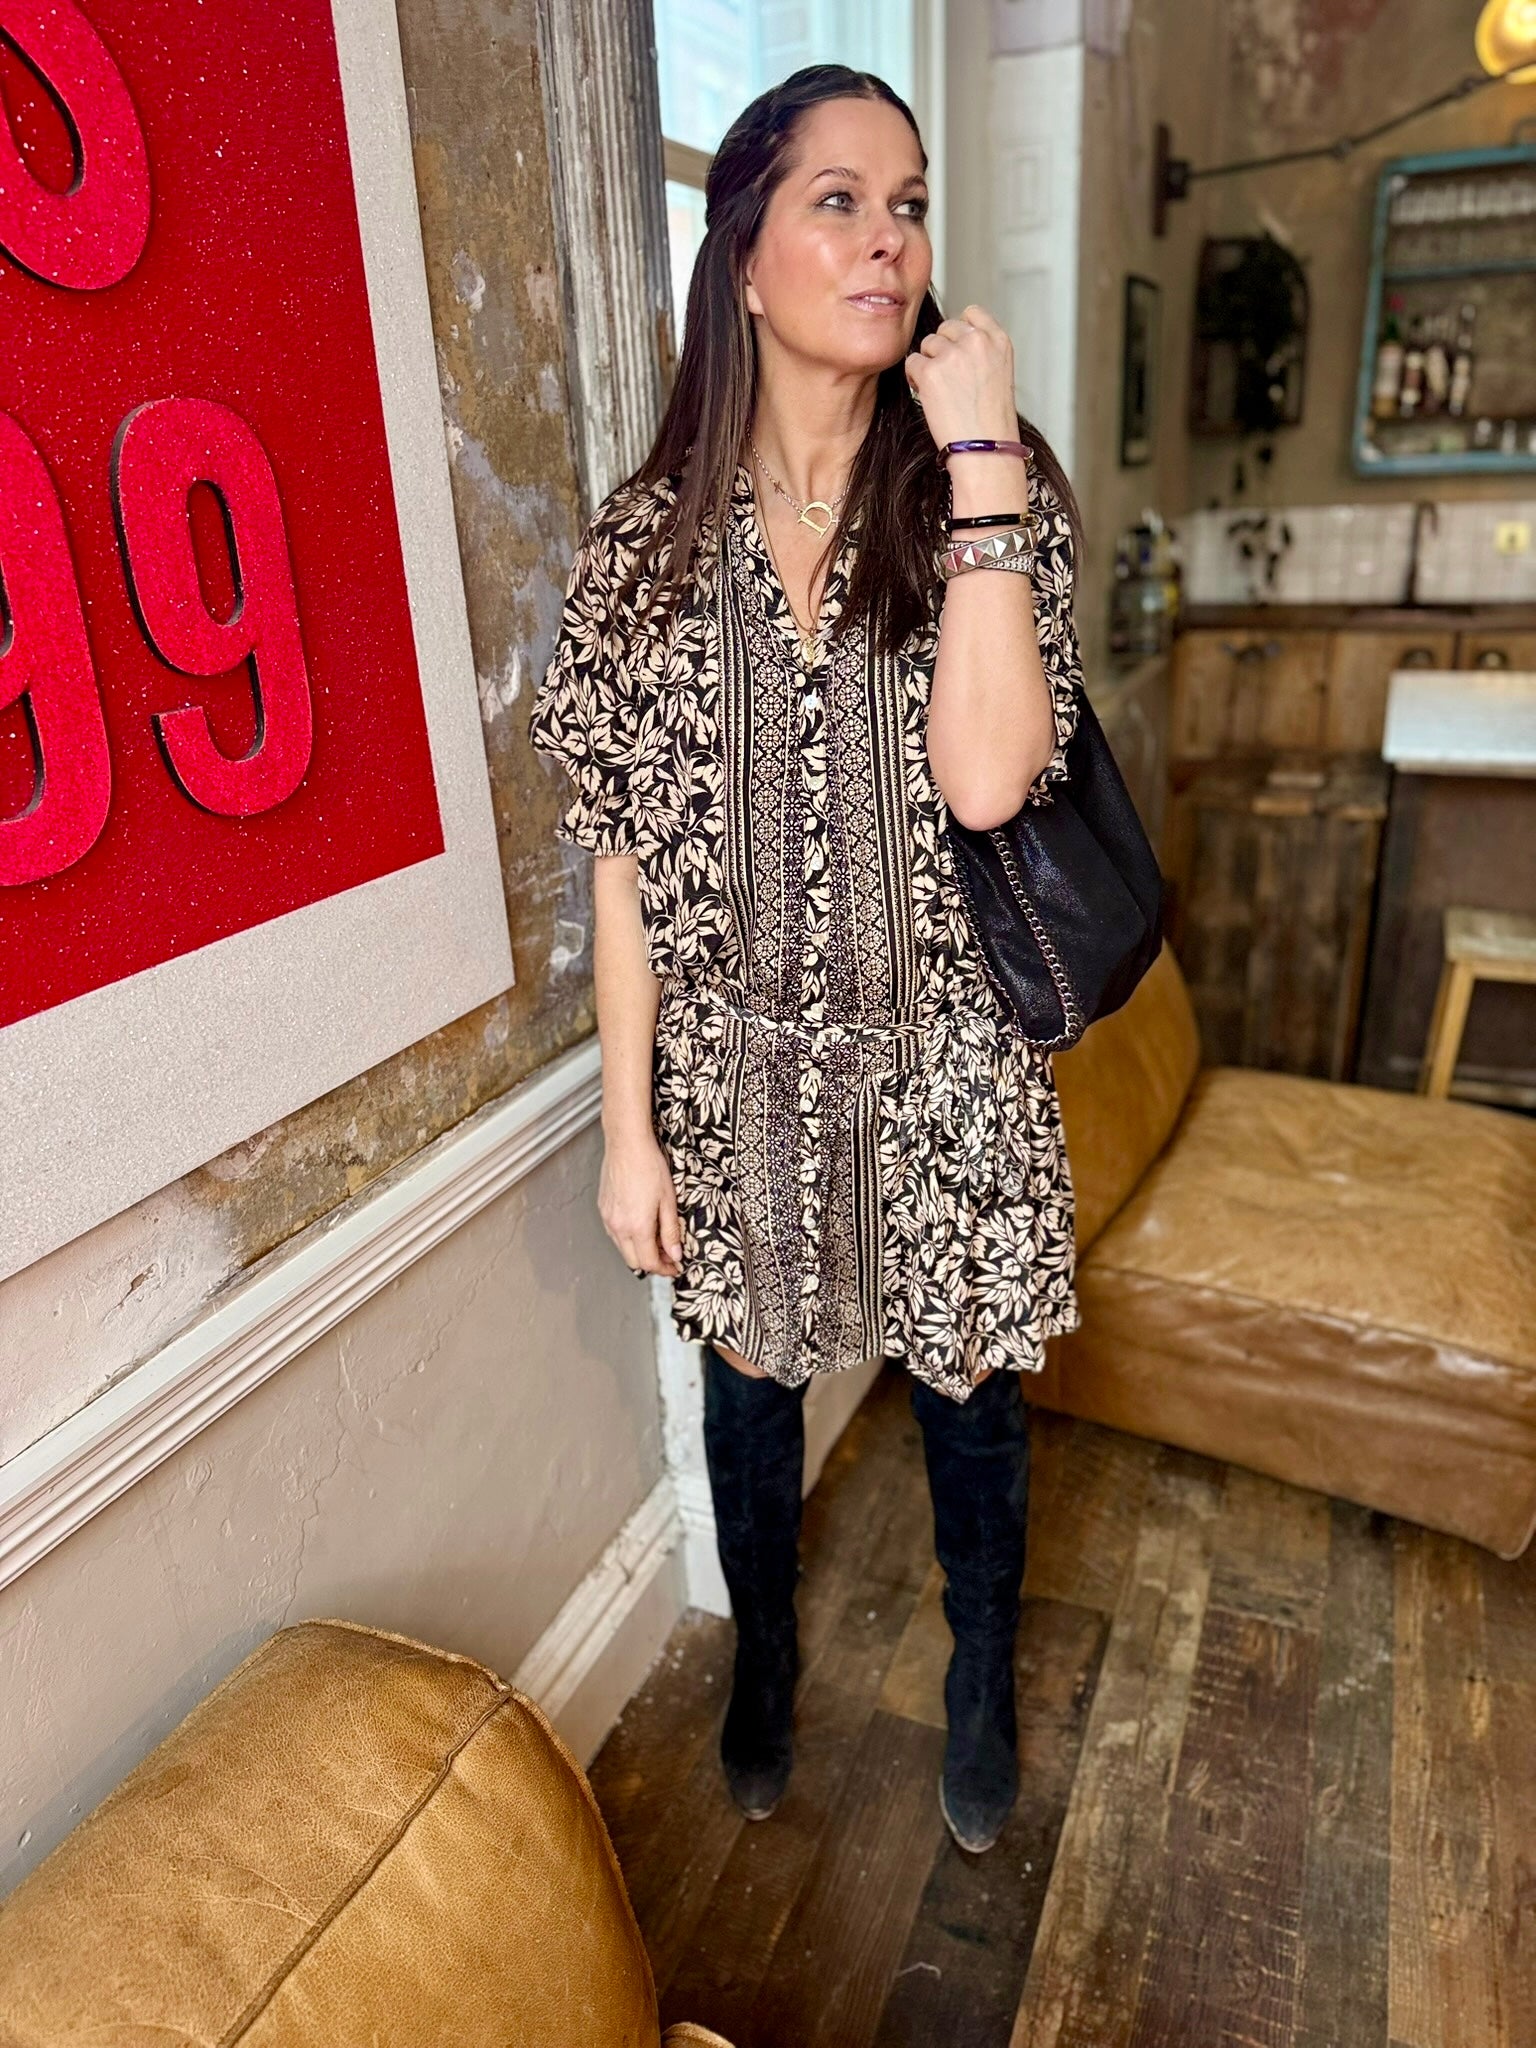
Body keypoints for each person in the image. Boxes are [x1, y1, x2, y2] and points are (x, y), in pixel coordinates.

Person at [529, 63, 1083, 1856]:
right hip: (738, 1071)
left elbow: (991, 779)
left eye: (907, 203)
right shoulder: (641, 549)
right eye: (838, 200)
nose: (887, 238)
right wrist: (629, 1130)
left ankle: (981, 1678)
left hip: (951, 1061)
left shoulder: (992, 494)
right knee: (751, 1399)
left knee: (972, 1401)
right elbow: (623, 861)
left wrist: (982, 454)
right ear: (746, 256)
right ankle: (764, 1666)